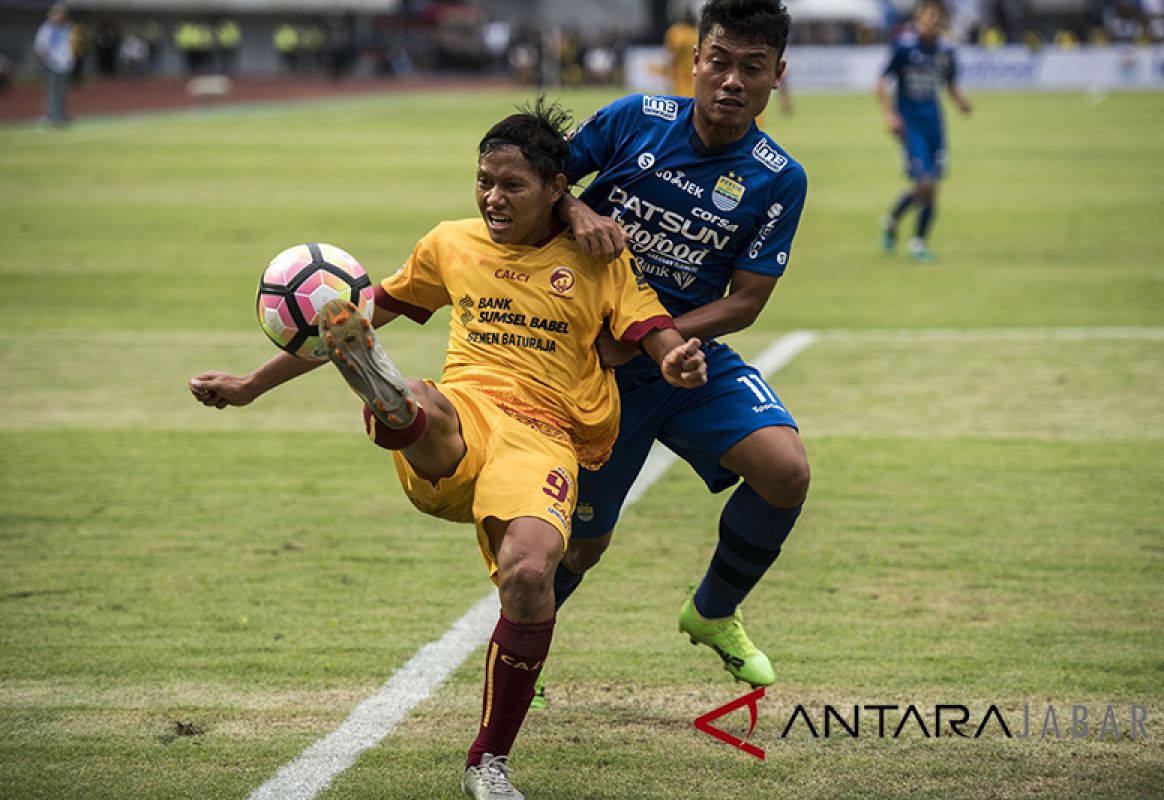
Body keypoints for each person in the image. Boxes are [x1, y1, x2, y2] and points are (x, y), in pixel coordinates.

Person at [188, 101, 706, 800]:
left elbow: (654, 330)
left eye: (512, 185)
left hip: (547, 437)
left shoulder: (598, 261)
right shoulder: (450, 245)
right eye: (484, 181)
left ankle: (487, 763)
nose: (493, 197)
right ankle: (392, 407)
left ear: (558, 188)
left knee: (529, 576)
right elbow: (352, 318)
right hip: (464, 414)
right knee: (423, 399)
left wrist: (676, 360)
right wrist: (252, 385)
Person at [545, 0, 810, 697]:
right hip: (600, 359)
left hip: (686, 355)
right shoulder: (636, 119)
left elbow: (748, 300)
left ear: (776, 75)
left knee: (785, 470)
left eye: (751, 68)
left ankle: (712, 611)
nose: (730, 81)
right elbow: (540, 174)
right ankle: (520, 658)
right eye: (718, 61)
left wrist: (666, 343)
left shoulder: (778, 175)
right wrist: (576, 208)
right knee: (582, 545)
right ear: (695, 60)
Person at [875, 0, 972, 262]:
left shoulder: (946, 50)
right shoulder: (904, 46)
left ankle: (898, 225)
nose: (930, 19)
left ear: (940, 18)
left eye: (934, 15)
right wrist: (891, 114)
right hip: (911, 125)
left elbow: (950, 82)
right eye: (925, 14)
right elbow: (881, 82)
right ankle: (912, 238)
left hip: (935, 125)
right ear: (919, 17)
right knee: (925, 182)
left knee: (932, 187)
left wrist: (961, 100)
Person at [32, 3, 75, 127]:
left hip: (65, 64)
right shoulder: (46, 29)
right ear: (51, 15)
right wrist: (47, 60)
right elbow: (39, 47)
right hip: (51, 65)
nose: (60, 16)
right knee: (52, 91)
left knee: (62, 92)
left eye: (62, 14)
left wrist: (69, 58)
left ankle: (61, 114)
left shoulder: (66, 27)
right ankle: (50, 116)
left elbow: (68, 45)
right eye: (58, 14)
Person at [662, 6, 699, 96]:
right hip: (682, 72)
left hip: (688, 71)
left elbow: (671, 53)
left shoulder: (677, 31)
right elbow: (671, 53)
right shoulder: (678, 32)